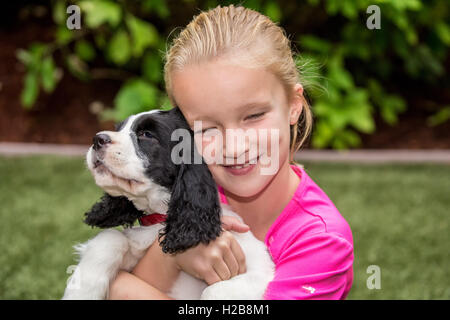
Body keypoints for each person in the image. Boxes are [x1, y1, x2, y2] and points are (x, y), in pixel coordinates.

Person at [108, 4, 354, 300]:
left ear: (293, 105)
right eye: (206, 128)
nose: (234, 147)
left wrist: (120, 287)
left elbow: (120, 290)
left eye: (253, 116)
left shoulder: (321, 240)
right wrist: (172, 252)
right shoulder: (186, 191)